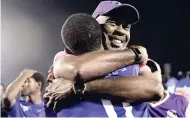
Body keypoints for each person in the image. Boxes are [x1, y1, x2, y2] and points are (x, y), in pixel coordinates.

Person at [42, 12, 163, 117]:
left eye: (126, 27)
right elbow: (77, 69)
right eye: (112, 23)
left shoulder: (136, 64)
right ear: (94, 26)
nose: (121, 30)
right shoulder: (70, 57)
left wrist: (80, 88)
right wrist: (136, 53)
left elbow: (154, 89)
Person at [125, 60, 190, 117]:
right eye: (141, 75)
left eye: (153, 70)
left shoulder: (181, 102)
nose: (150, 76)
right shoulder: (131, 108)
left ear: (161, 76)